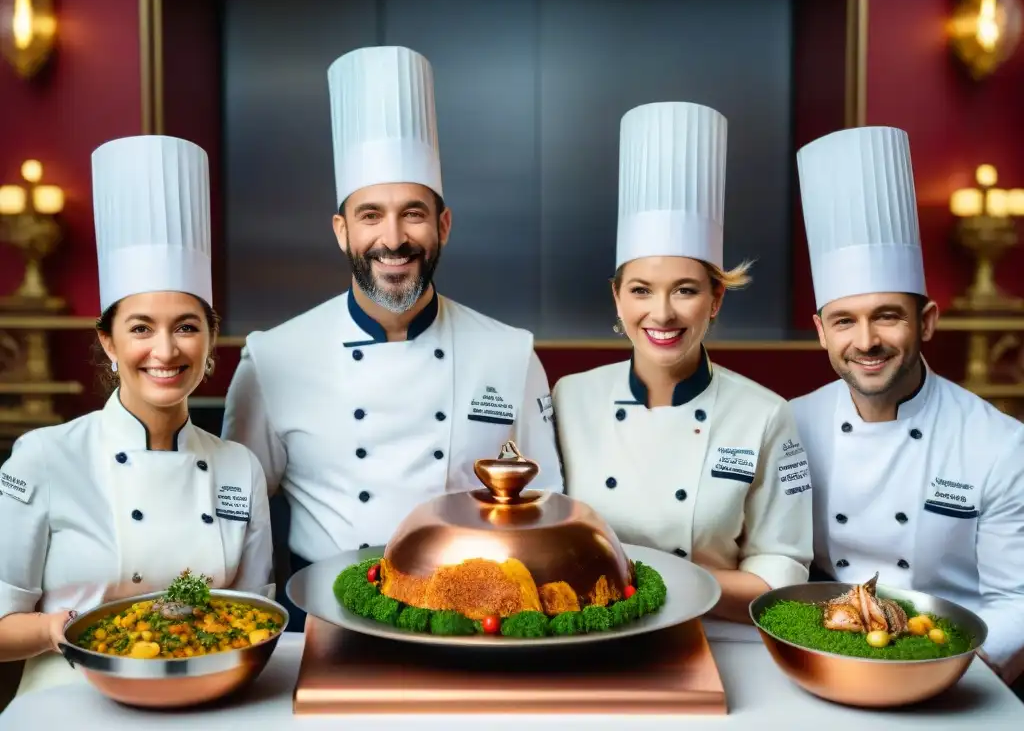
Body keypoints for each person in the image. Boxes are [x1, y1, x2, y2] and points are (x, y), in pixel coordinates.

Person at [221, 45, 563, 631]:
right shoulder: (273, 358)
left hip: (468, 617)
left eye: (413, 213)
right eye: (371, 215)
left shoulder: (509, 353)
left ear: (443, 226)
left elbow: (547, 506)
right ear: (341, 231)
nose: (393, 238)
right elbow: (237, 514)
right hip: (320, 614)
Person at [0, 135, 274, 697]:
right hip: (69, 693)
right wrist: (65, 631)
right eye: (141, 327)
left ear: (211, 338)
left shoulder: (239, 468)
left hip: (211, 693)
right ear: (108, 341)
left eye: (187, 326)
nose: (166, 351)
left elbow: (254, 619)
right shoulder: (45, 457)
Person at [552, 102, 814, 623]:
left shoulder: (765, 415)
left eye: (686, 290)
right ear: (617, 299)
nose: (662, 313)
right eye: (642, 290)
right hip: (586, 634)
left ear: (716, 299)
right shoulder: (568, 398)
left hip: (714, 634)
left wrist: (658, 579)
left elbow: (780, 568)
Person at [790, 125, 1024, 688]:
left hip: (961, 671)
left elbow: (1017, 599)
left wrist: (939, 676)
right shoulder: (789, 425)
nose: (866, 341)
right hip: (826, 659)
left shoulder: (999, 443)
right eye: (845, 320)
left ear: (927, 321)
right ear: (822, 332)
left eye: (888, 316)